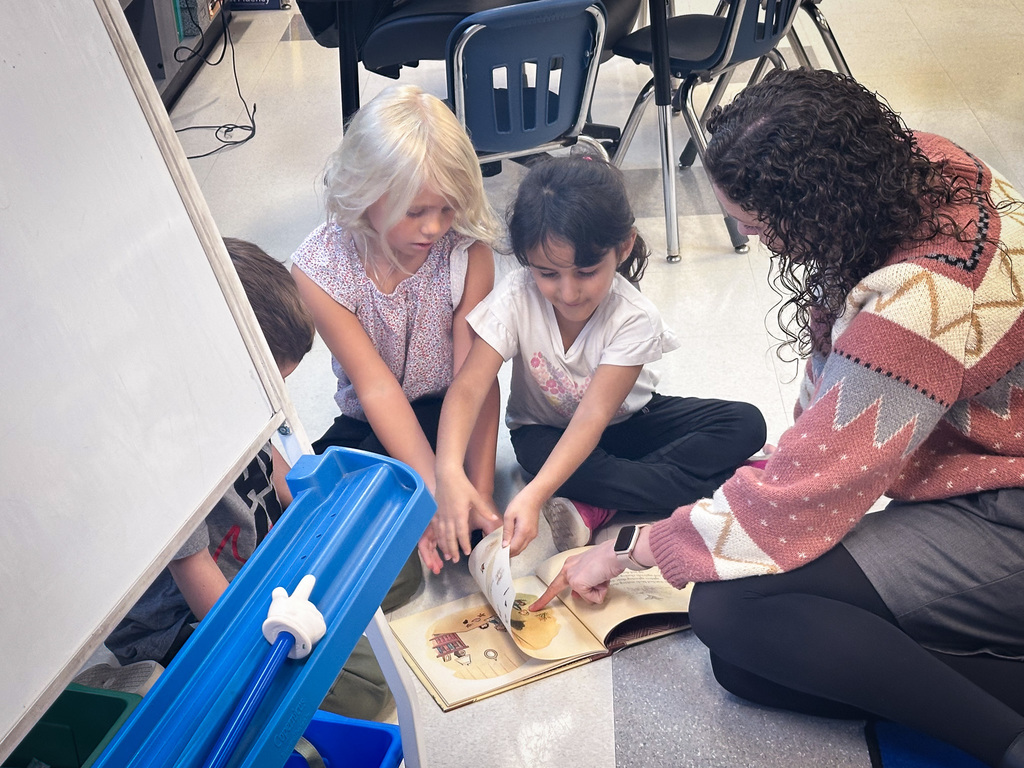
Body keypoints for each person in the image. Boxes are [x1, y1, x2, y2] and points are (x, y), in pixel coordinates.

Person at [531, 69, 1024, 768]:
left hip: (1007, 513)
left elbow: (806, 493)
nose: (754, 239)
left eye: (760, 226)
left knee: (734, 615)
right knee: (748, 666)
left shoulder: (920, 303)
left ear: (822, 208)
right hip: (992, 479)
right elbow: (827, 423)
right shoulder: (925, 162)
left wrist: (633, 547)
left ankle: (1005, 742)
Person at [104, 238, 391, 719]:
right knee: (370, 690)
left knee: (393, 567)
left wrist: (322, 527)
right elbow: (204, 591)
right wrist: (275, 627)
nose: (271, 395)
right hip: (190, 618)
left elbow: (280, 471)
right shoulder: (162, 451)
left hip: (255, 560)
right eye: (265, 381)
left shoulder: (232, 389)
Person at [434, 156, 767, 562]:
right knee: (545, 461)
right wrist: (449, 471)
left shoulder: (634, 316)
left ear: (623, 247)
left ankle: (596, 504)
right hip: (544, 433)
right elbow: (468, 387)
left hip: (628, 422)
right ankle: (727, 481)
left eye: (586, 271)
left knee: (746, 422)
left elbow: (593, 418)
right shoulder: (517, 296)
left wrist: (535, 494)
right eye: (548, 274)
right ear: (525, 261)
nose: (569, 293)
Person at [291, 84, 503, 575]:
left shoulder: (467, 251)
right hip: (373, 422)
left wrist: (478, 490)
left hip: (449, 417)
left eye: (447, 208)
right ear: (366, 196)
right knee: (323, 515)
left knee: (467, 527)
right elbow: (375, 387)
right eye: (415, 212)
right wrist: (434, 492)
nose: (433, 228)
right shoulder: (319, 268)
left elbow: (475, 381)